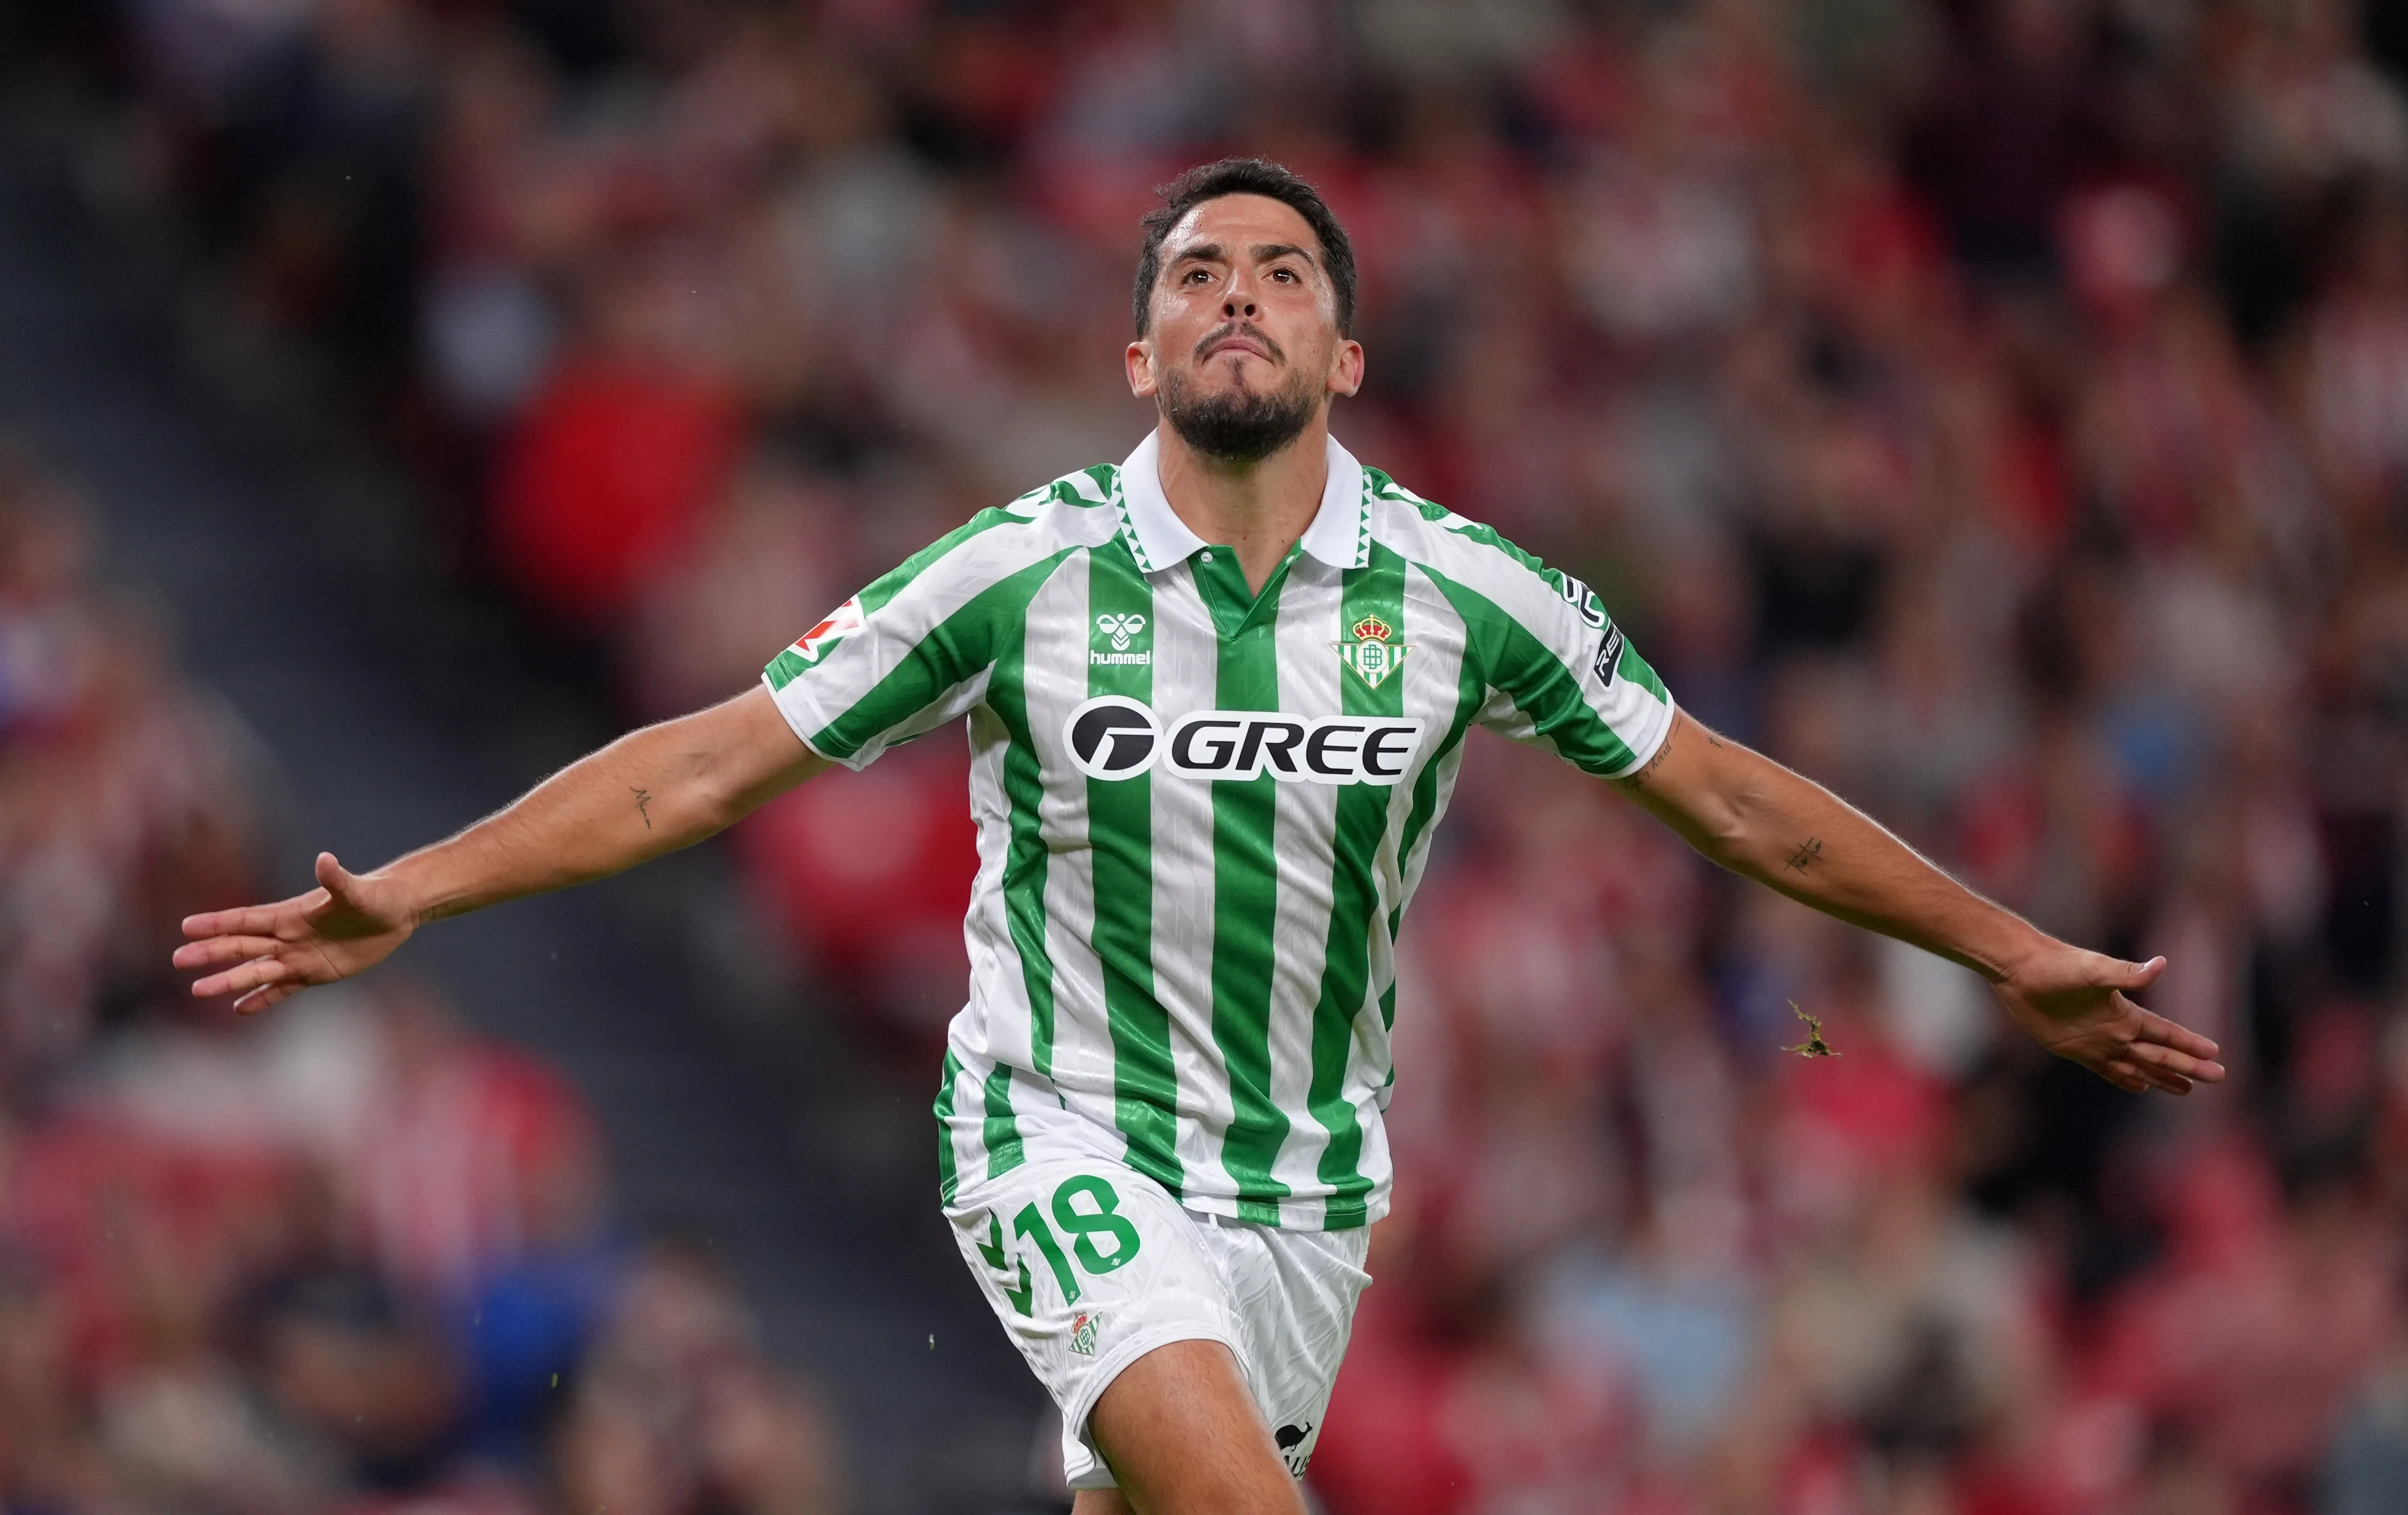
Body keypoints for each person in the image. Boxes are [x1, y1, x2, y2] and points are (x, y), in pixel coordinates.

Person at [175, 159, 2226, 1515]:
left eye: (1282, 273)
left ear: (1346, 354)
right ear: (1140, 353)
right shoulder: (1018, 572)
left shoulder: (1468, 595)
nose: (1237, 295)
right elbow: (704, 768)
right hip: (1055, 1129)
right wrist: (415, 892)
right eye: (1195, 274)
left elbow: (1730, 796)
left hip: (1308, 1191)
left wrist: (2008, 951)